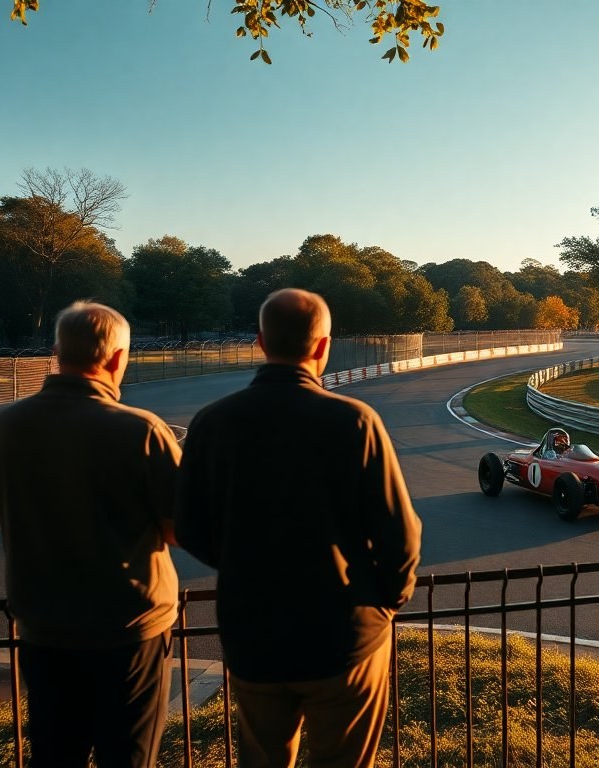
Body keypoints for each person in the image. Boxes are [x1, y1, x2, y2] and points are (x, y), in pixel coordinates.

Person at [176, 288, 422, 768]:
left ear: (260, 342)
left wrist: (242, 563)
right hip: (345, 632)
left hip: (253, 634)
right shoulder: (355, 421)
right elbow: (400, 533)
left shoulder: (211, 423)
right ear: (323, 346)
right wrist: (385, 603)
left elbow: (188, 527)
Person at [0, 302, 181, 768]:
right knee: (127, 757)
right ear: (117, 358)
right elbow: (179, 529)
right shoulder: (142, 430)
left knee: (54, 755)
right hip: (128, 628)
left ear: (57, 352)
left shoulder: (0, 424)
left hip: (43, 625)